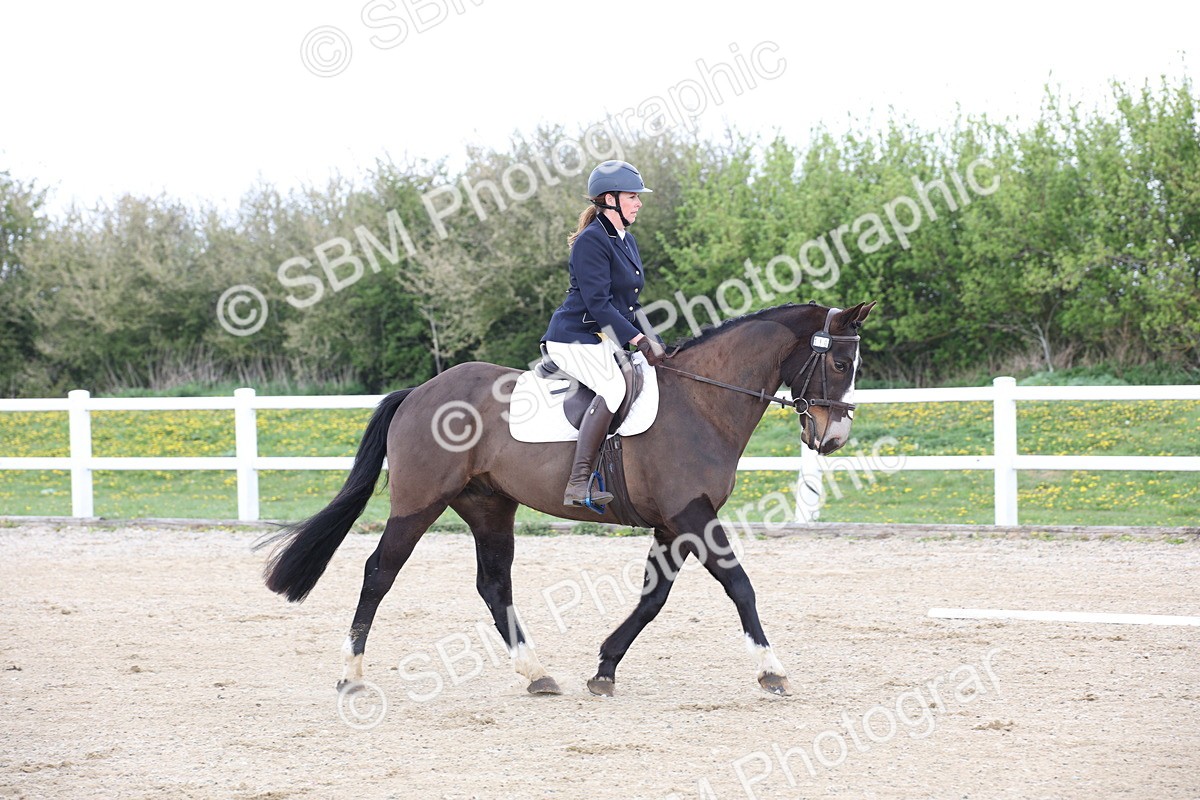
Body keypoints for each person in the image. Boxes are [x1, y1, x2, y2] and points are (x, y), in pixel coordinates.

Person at [543, 160, 666, 507]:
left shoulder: (626, 240)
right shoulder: (591, 240)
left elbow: (629, 304)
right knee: (614, 387)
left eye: (638, 197)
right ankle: (578, 482)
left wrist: (653, 340)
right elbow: (599, 305)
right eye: (632, 196)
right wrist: (637, 340)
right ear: (608, 199)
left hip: (601, 337)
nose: (639, 203)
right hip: (573, 338)